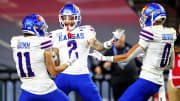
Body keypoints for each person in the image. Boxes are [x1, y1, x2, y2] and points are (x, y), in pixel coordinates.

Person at [90, 3, 176, 101]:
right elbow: (170, 65)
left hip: (146, 81)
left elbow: (127, 57)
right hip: (159, 81)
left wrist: (104, 58)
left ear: (152, 17)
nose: (143, 19)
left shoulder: (149, 33)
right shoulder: (170, 33)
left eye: (145, 16)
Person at [49, 4, 120, 101]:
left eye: (71, 18)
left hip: (79, 75)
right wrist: (53, 57)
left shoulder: (85, 31)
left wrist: (111, 42)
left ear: (77, 18)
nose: (68, 21)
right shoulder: (56, 34)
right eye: (64, 18)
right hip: (66, 75)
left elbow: (98, 46)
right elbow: (56, 63)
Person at [10, 14, 76, 101]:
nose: (43, 30)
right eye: (41, 27)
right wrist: (69, 62)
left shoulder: (15, 42)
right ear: (35, 28)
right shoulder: (43, 42)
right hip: (46, 90)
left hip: (27, 92)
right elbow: (53, 71)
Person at [93, 28, 141, 101]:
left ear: (124, 38)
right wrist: (102, 67)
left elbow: (139, 64)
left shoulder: (131, 48)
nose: (120, 39)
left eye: (121, 37)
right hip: (118, 83)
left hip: (132, 82)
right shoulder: (110, 52)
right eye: (117, 38)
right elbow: (99, 66)